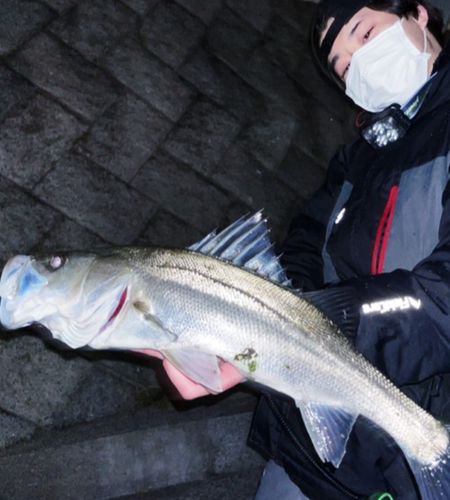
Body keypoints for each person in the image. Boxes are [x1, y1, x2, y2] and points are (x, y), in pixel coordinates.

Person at [144, 0, 450, 498]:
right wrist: (255, 331)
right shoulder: (356, 158)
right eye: (345, 69)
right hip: (313, 451)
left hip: (423, 442)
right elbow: (301, 250)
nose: (359, 66)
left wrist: (317, 332)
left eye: (364, 33)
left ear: (417, 13)